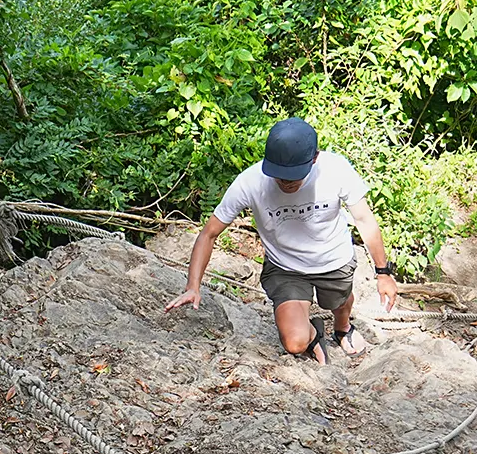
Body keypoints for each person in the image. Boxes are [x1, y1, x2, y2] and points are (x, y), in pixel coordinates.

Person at [164, 117, 400, 365]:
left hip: (333, 259)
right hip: (286, 268)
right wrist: (193, 285)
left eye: (293, 175)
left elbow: (364, 219)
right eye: (280, 175)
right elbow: (209, 233)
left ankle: (342, 327)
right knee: (294, 342)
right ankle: (314, 333)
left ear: (314, 159)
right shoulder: (251, 182)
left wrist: (383, 273)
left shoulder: (335, 170)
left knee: (339, 301)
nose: (286, 182)